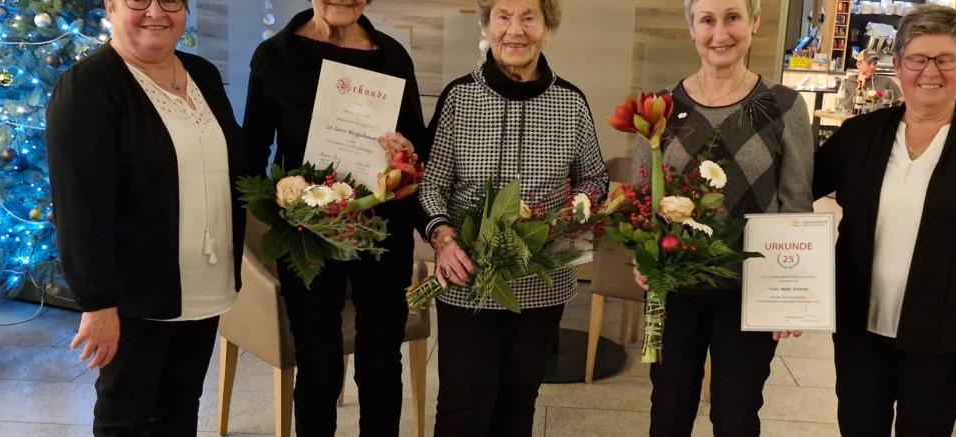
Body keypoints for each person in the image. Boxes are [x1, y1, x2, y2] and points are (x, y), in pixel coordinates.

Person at [813, 5, 956, 436]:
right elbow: (793, 192)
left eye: (945, 59)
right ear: (897, 65)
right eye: (917, 58)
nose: (929, 71)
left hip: (945, 338)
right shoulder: (860, 136)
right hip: (860, 330)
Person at [45, 0, 245, 435]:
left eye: (170, 0)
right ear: (111, 7)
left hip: (203, 284)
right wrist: (97, 304)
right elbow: (79, 206)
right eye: (138, 0)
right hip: (135, 295)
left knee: (180, 407)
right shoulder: (88, 86)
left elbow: (237, 164)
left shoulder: (203, 75)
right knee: (126, 418)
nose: (156, 11)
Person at [419, 0, 608, 434]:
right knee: (463, 403)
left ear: (547, 28)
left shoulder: (570, 103)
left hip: (542, 280)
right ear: (487, 24)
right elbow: (431, 185)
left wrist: (569, 211)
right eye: (503, 16)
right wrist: (443, 238)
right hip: (466, 278)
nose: (515, 30)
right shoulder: (459, 97)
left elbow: (595, 178)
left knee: (519, 399)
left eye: (529, 17)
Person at [242, 0, 426, 435]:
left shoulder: (393, 56)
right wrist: (282, 202)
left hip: (382, 232)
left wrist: (404, 151)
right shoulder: (275, 57)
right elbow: (251, 155)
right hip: (308, 234)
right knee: (317, 363)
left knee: (381, 360)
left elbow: (418, 148)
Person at [631, 0, 813, 435]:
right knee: (668, 412)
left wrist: (793, 300)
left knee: (736, 415)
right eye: (707, 20)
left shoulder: (784, 106)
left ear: (753, 23)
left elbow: (796, 205)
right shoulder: (658, 106)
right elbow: (642, 200)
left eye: (733, 17)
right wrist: (642, 254)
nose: (720, 33)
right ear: (691, 29)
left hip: (752, 294)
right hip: (675, 290)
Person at [837, 49, 903, 112]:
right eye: (869, 63)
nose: (872, 67)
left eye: (875, 64)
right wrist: (859, 88)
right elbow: (844, 109)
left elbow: (900, 103)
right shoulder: (847, 84)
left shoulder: (886, 81)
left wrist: (900, 103)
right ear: (859, 65)